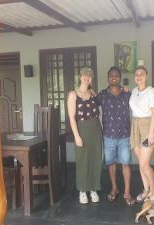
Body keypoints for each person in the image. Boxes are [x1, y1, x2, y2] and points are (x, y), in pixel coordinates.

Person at [97, 66, 135, 206]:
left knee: (125, 164)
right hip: (108, 136)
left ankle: (127, 192)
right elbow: (89, 104)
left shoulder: (127, 94)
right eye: (111, 75)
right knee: (111, 164)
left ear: (119, 77)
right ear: (108, 78)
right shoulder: (102, 95)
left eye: (116, 75)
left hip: (125, 135)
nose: (114, 77)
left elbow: (140, 102)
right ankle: (114, 188)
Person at [67, 68, 102, 204]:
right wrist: (76, 136)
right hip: (81, 129)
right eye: (84, 75)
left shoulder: (93, 93)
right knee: (83, 160)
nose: (87, 78)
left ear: (91, 79)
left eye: (89, 76)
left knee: (95, 159)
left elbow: (99, 111)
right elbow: (71, 117)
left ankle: (93, 188)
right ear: (80, 77)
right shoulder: (73, 94)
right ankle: (82, 190)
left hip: (96, 129)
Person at [129, 65, 154, 202]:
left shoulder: (151, 92)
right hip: (135, 125)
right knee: (140, 163)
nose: (139, 76)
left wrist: (151, 133)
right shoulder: (134, 91)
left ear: (146, 76)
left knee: (144, 164)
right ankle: (146, 190)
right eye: (136, 74)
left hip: (148, 126)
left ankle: (153, 191)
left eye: (141, 74)